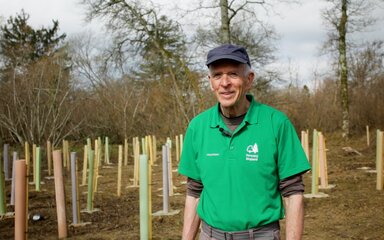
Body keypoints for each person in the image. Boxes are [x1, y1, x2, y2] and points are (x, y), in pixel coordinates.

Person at [178, 44, 311, 240]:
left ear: (249, 79)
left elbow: (293, 194)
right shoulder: (197, 127)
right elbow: (195, 193)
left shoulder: (277, 124)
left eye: (233, 74)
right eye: (217, 75)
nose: (225, 83)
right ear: (210, 82)